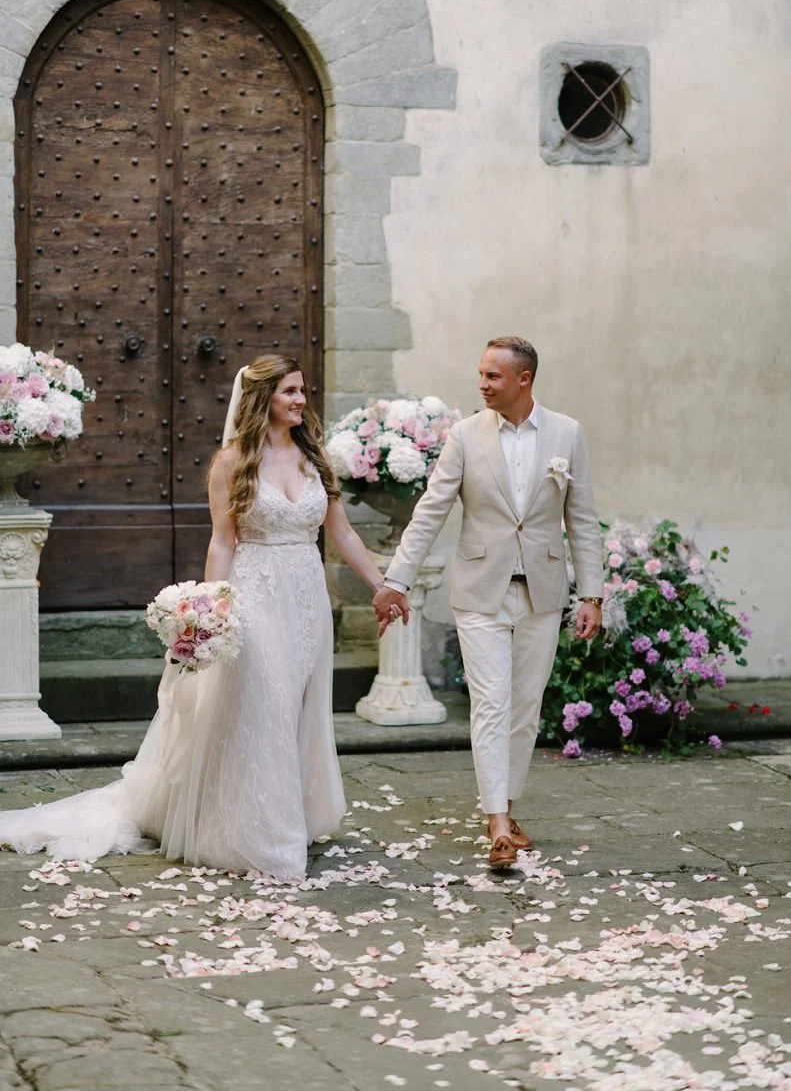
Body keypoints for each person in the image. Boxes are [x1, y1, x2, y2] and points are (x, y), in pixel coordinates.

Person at [0, 355, 395, 880]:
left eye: (302, 391)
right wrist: (207, 612)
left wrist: (383, 586)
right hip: (254, 598)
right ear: (262, 400)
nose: (301, 400)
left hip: (306, 602)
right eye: (290, 392)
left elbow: (341, 532)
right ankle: (262, 839)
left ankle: (290, 817)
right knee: (266, 707)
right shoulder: (232, 462)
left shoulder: (312, 454)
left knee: (299, 709)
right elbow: (223, 540)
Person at [373, 336, 604, 869]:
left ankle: (508, 804)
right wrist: (397, 581)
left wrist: (591, 594)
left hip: (543, 592)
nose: (482, 384)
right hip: (480, 591)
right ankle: (497, 822)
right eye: (481, 374)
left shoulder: (567, 434)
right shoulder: (464, 436)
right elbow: (430, 513)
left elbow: (583, 521)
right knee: (492, 703)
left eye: (493, 376)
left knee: (524, 710)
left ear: (524, 379)